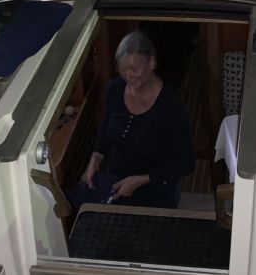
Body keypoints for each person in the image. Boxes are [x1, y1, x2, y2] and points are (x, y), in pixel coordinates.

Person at [69, 31, 196, 210]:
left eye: (134, 69)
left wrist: (140, 180)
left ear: (151, 62)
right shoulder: (114, 88)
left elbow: (187, 163)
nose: (129, 76)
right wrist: (94, 160)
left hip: (156, 186)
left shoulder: (170, 107)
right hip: (116, 180)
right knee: (73, 206)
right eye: (123, 70)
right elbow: (105, 132)